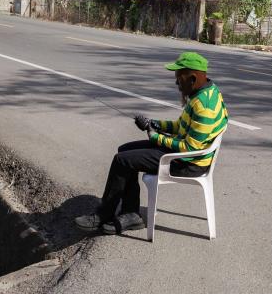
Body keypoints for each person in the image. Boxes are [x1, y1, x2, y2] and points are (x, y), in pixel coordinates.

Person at [75, 51, 229, 235]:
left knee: (122, 160)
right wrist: (154, 124)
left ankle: (103, 214)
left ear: (193, 78)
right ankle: (130, 214)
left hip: (188, 163)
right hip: (185, 155)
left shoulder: (204, 106)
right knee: (124, 151)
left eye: (179, 79)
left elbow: (191, 147)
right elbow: (180, 126)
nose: (176, 83)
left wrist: (154, 136)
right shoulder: (203, 92)